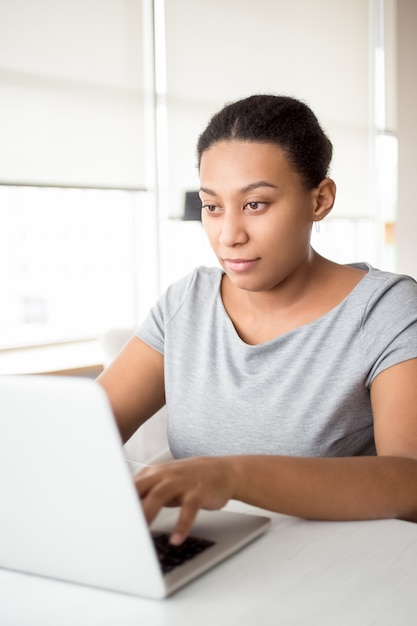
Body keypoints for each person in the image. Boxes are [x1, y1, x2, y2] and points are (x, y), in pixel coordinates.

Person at [98, 94, 417, 546]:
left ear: (320, 200)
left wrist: (232, 474)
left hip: (334, 574)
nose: (229, 235)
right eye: (212, 207)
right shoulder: (186, 302)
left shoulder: (387, 308)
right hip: (204, 556)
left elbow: (409, 481)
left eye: (256, 204)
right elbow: (85, 431)